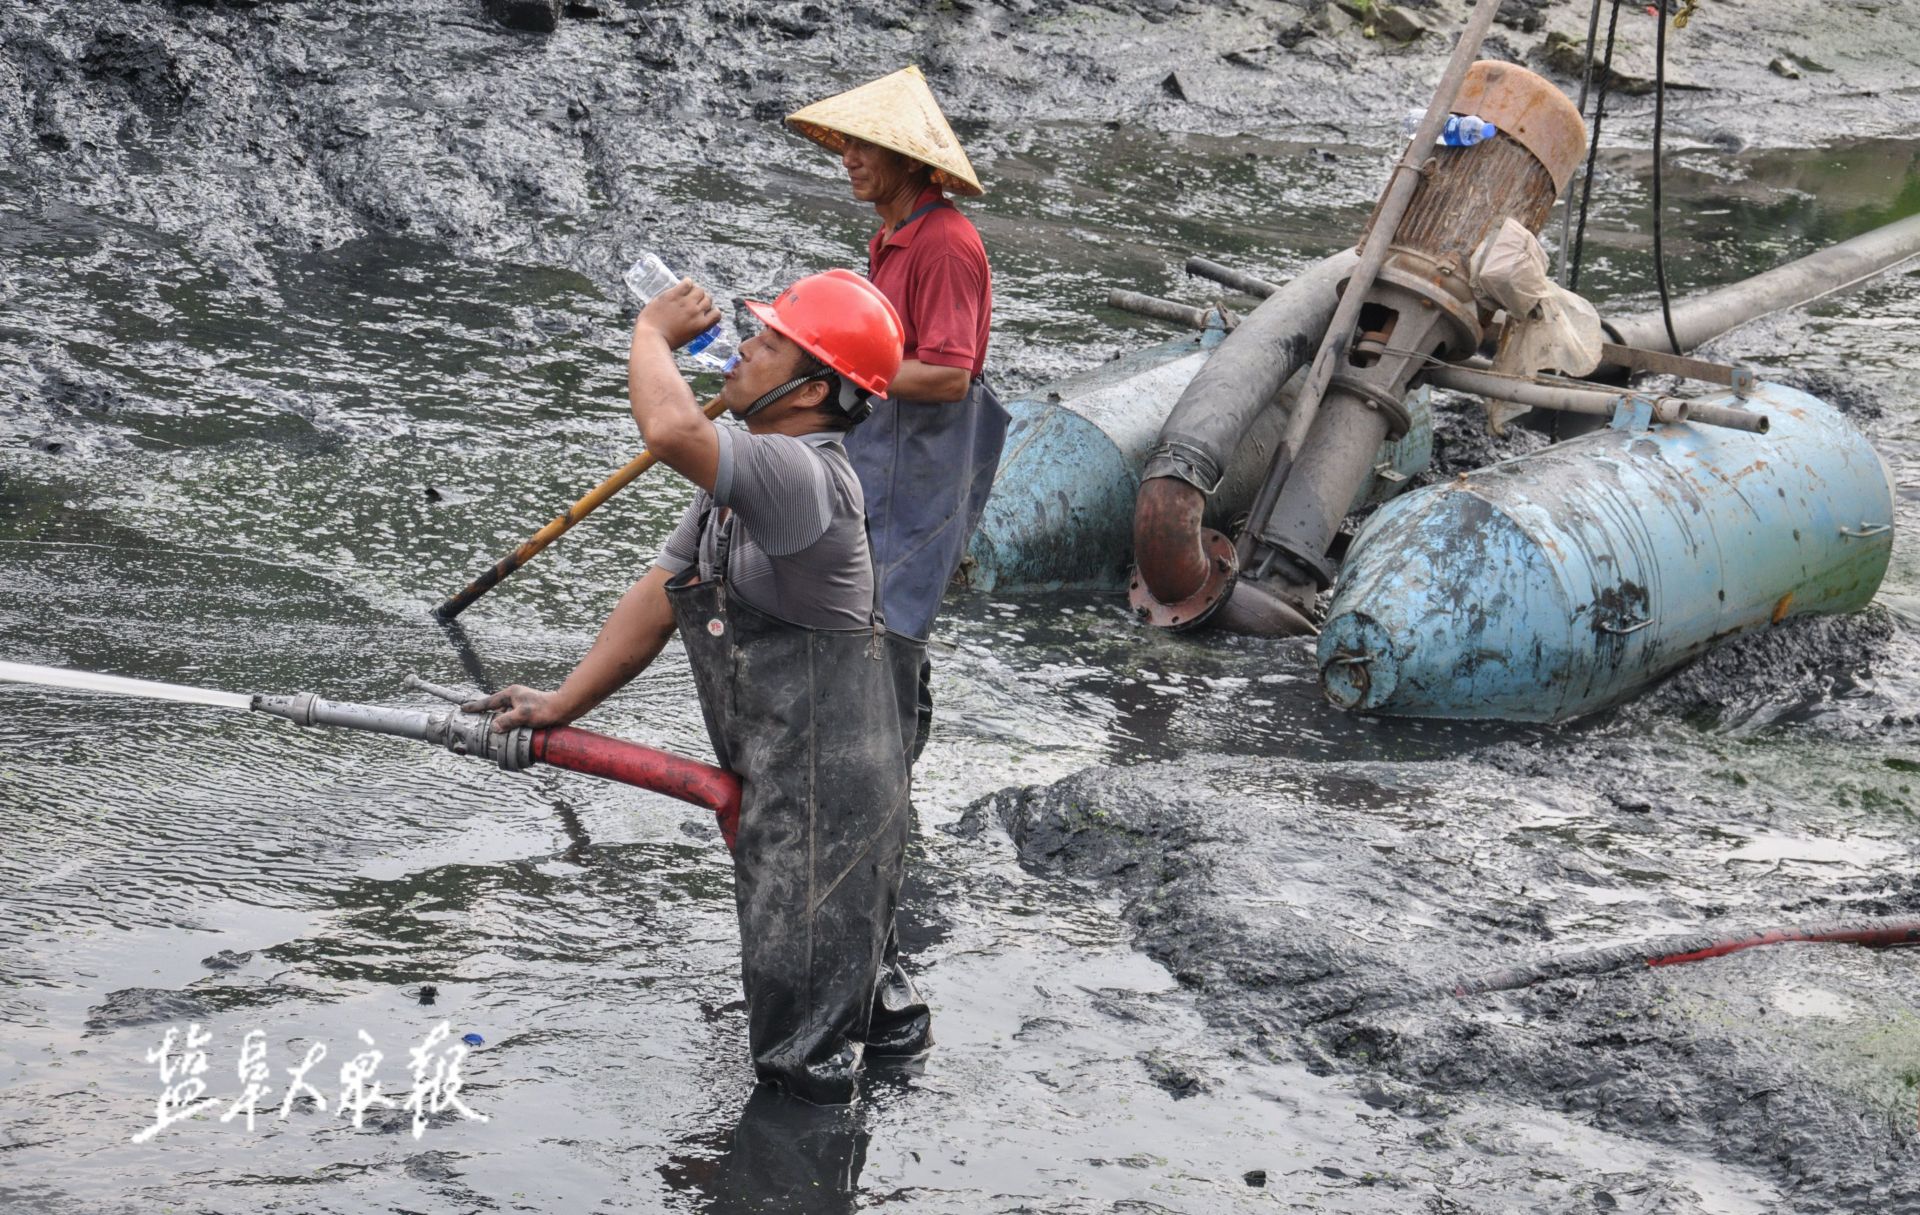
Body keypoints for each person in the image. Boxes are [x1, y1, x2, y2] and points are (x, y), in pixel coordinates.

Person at [468, 268, 923, 1105]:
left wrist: (650, 333)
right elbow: (660, 594)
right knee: (858, 990)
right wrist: (565, 702)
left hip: (825, 798)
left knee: (802, 1056)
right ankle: (898, 1103)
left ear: (813, 388)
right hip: (799, 780)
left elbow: (672, 428)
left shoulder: (803, 478)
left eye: (770, 340)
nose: (745, 347)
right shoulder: (746, 484)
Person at [786, 65, 1008, 673]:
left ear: (910, 161)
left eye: (865, 146)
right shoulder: (893, 236)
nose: (849, 158)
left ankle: (888, 754)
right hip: (885, 455)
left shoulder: (943, 244)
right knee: (860, 609)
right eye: (848, 144)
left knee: (890, 620)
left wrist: (837, 369)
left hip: (919, 465)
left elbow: (948, 377)